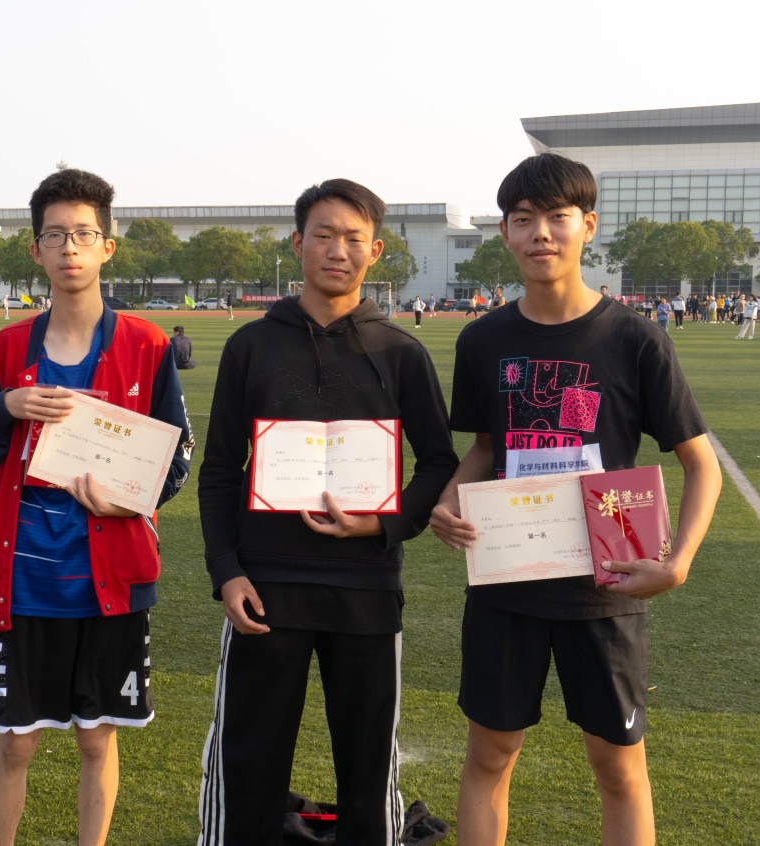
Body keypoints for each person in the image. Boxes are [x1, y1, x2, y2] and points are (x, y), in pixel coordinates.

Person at [428, 152, 721, 846]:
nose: (540, 233)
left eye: (557, 217)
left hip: (604, 586)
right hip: (507, 581)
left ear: (587, 226)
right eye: (522, 219)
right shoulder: (482, 340)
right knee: (489, 757)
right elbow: (486, 447)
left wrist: (678, 561)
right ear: (504, 233)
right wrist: (448, 499)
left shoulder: (635, 338)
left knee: (617, 767)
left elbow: (700, 464)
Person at [196, 178, 459, 846]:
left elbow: (438, 463)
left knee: (369, 771)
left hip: (366, 586)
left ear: (375, 250)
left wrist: (381, 523)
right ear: (297, 243)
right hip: (266, 586)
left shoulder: (400, 351)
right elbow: (220, 468)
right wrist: (226, 572)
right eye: (323, 235)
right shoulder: (251, 346)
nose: (337, 250)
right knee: (249, 766)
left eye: (352, 238)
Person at [0, 168, 192, 846]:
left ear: (107, 247)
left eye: (84, 234)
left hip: (110, 577)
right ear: (35, 249)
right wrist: (5, 406)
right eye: (55, 235)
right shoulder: (7, 349)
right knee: (17, 742)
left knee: (96, 737)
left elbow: (176, 456)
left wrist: (127, 501)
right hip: (24, 580)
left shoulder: (147, 346)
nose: (69, 248)